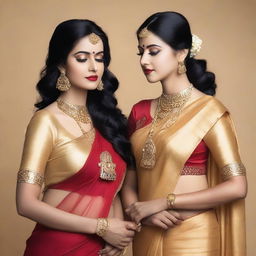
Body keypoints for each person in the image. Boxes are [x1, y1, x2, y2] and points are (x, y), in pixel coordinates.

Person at [122, 11, 247, 256]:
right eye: (141, 52)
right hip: (147, 233)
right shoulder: (139, 111)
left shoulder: (210, 111)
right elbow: (129, 184)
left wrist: (164, 202)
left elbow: (237, 186)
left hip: (194, 236)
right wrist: (142, 213)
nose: (144, 60)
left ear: (181, 53)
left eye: (153, 51)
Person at [16, 19, 137, 256]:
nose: (94, 67)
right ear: (61, 63)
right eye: (82, 58)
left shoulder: (112, 123)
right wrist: (101, 227)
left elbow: (111, 188)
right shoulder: (46, 121)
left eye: (99, 58)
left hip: (101, 250)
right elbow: (25, 203)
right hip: (55, 247)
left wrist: (117, 232)